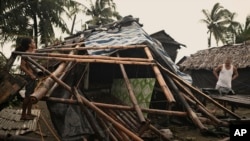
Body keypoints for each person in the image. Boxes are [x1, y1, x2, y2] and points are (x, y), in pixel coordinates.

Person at [15, 37, 37, 120]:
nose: (34, 43)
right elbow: (22, 66)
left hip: (33, 77)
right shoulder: (26, 54)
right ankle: (23, 115)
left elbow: (42, 50)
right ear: (29, 45)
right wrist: (30, 74)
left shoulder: (33, 52)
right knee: (27, 96)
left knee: (31, 96)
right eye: (33, 42)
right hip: (29, 77)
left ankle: (29, 113)